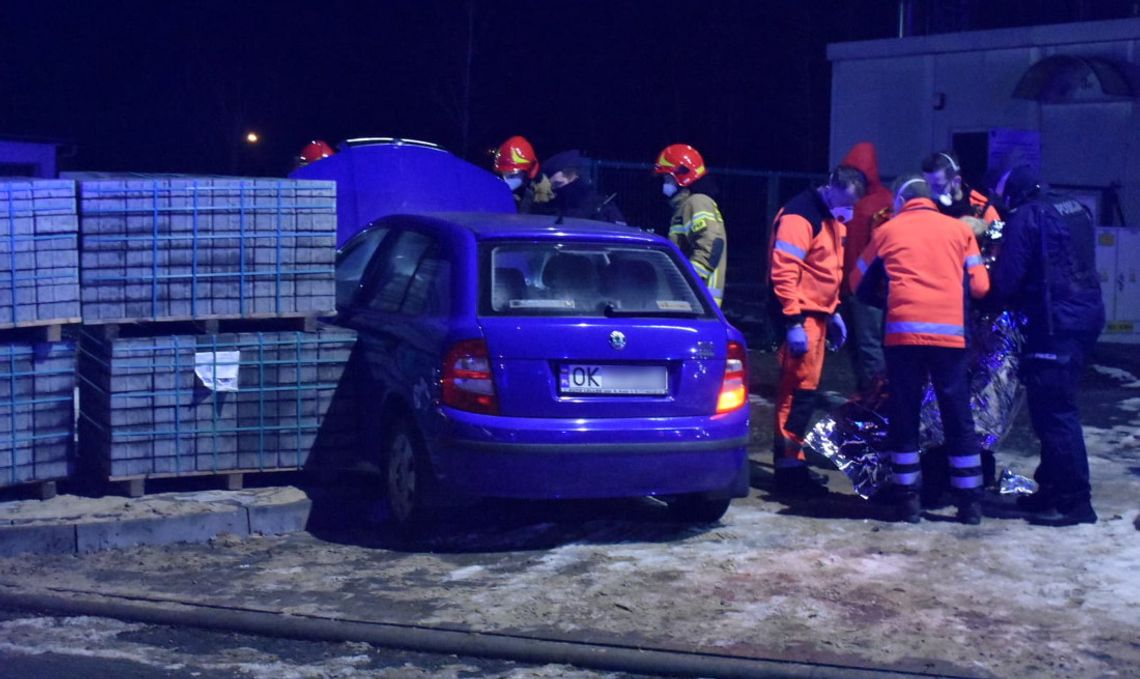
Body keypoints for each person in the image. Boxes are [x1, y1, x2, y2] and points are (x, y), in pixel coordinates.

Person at [849, 175, 990, 524]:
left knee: (904, 415)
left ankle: (907, 499)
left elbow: (856, 282)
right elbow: (982, 286)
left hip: (903, 337)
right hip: (950, 340)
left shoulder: (887, 232)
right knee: (958, 415)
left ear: (901, 201)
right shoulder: (960, 232)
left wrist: (889, 299)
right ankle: (970, 502)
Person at [990, 166, 1105, 526]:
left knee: (1055, 414)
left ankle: (1074, 501)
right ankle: (1052, 489)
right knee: (1053, 410)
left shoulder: (1027, 215)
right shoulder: (1072, 207)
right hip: (1082, 317)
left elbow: (1009, 279)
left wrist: (986, 293)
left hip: (1053, 323)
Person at [767, 164, 866, 496]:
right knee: (798, 394)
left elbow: (827, 269)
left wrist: (834, 310)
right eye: (847, 202)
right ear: (831, 188)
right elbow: (785, 272)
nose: (849, 211)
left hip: (816, 315)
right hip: (803, 317)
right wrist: (793, 321)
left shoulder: (825, 216)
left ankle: (791, 463)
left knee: (802, 393)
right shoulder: (801, 216)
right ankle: (789, 469)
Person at [838, 142, 893, 393]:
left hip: (867, 290)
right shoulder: (867, 202)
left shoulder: (878, 204)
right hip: (852, 286)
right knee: (859, 346)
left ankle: (876, 399)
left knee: (870, 347)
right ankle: (865, 394)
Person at [653, 144, 727, 307]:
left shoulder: (697, 202)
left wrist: (687, 281)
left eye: (667, 178)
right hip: (693, 303)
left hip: (699, 303)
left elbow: (711, 244)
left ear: (682, 176)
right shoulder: (685, 206)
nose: (664, 184)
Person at [921, 150, 1002, 238]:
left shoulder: (983, 207)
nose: (931, 192)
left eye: (938, 186)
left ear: (956, 181)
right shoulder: (924, 208)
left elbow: (998, 241)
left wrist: (984, 229)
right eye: (927, 185)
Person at [542, 150, 625, 223]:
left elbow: (620, 234)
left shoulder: (601, 207)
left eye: (558, 184)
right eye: (553, 186)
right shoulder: (547, 209)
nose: (556, 189)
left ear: (575, 176)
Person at [492, 135, 554, 214]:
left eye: (512, 175)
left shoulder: (542, 194)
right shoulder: (494, 190)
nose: (506, 180)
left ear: (528, 173)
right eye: (502, 174)